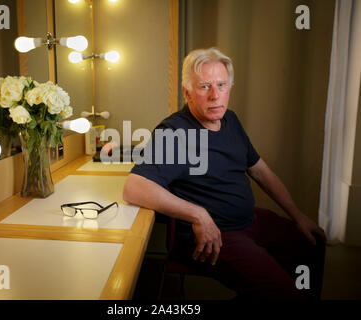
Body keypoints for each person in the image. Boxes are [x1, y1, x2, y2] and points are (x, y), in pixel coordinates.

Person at [123, 47, 326, 300]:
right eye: (205, 86)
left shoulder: (230, 119)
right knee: (282, 292)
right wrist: (198, 214)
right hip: (215, 237)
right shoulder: (174, 132)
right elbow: (134, 187)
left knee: (313, 244)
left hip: (249, 220)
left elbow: (260, 170)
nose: (215, 95)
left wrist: (297, 216)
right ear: (187, 92)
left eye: (221, 84)